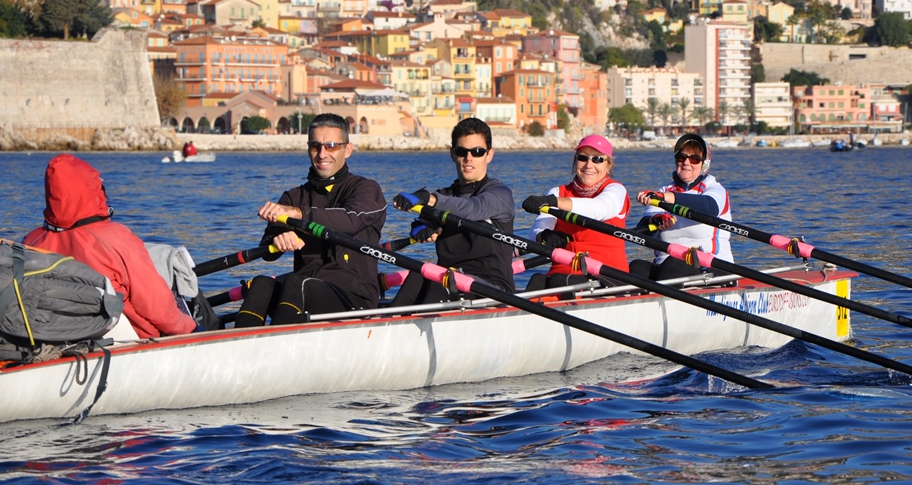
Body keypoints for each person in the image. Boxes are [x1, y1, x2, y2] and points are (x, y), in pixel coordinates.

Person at [234, 113, 387, 327]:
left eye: (331, 146)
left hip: (353, 294)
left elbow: (350, 221)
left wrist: (296, 214)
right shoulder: (293, 196)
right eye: (316, 146)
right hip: (302, 290)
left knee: (296, 283)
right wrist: (279, 237)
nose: (322, 154)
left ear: (348, 150)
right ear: (308, 149)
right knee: (259, 284)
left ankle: (278, 344)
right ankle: (240, 347)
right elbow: (268, 252)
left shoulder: (366, 189)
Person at [23, 154, 198, 339]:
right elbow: (158, 308)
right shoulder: (116, 239)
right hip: (127, 341)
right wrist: (192, 328)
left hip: (56, 340)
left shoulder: (30, 243)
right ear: (94, 190)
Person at [389, 117, 516, 306]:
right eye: (461, 151)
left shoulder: (499, 194)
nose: (469, 158)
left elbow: (471, 209)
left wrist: (429, 198)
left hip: (493, 287)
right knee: (419, 274)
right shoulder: (444, 196)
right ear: (452, 154)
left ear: (489, 155)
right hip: (450, 279)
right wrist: (422, 229)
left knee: (443, 279)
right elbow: (419, 226)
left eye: (477, 151)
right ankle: (389, 321)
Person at [521, 135, 630, 291]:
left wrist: (554, 202)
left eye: (597, 159)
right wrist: (542, 235)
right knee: (537, 279)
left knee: (559, 282)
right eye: (583, 158)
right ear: (575, 161)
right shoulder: (558, 192)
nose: (589, 165)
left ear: (608, 166)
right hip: (562, 273)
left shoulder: (616, 190)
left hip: (608, 275)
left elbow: (597, 209)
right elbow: (538, 227)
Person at [631, 132, 733, 281]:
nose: (686, 162)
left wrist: (666, 198)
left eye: (694, 159)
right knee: (636, 267)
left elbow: (709, 207)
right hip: (667, 268)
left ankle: (660, 298)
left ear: (705, 164)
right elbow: (644, 231)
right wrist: (657, 220)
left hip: (711, 267)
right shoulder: (663, 192)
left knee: (677, 261)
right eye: (681, 157)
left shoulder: (715, 189)